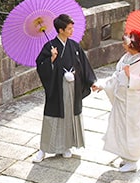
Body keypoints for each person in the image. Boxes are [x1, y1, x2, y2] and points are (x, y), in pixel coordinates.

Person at [33, 14, 99, 162]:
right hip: (57, 87)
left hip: (73, 87)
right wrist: (51, 59)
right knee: (52, 117)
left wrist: (91, 82)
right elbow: (40, 65)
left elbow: (84, 65)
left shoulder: (74, 46)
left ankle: (66, 146)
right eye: (69, 28)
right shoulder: (49, 47)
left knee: (70, 115)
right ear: (61, 30)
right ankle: (43, 149)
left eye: (72, 28)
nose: (72, 31)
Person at [101, 30, 140, 172]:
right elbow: (116, 75)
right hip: (121, 99)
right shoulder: (126, 57)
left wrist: (131, 77)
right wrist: (103, 85)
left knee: (132, 129)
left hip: (133, 103)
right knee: (120, 127)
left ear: (132, 45)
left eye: (125, 43)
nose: (123, 45)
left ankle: (133, 160)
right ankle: (125, 156)